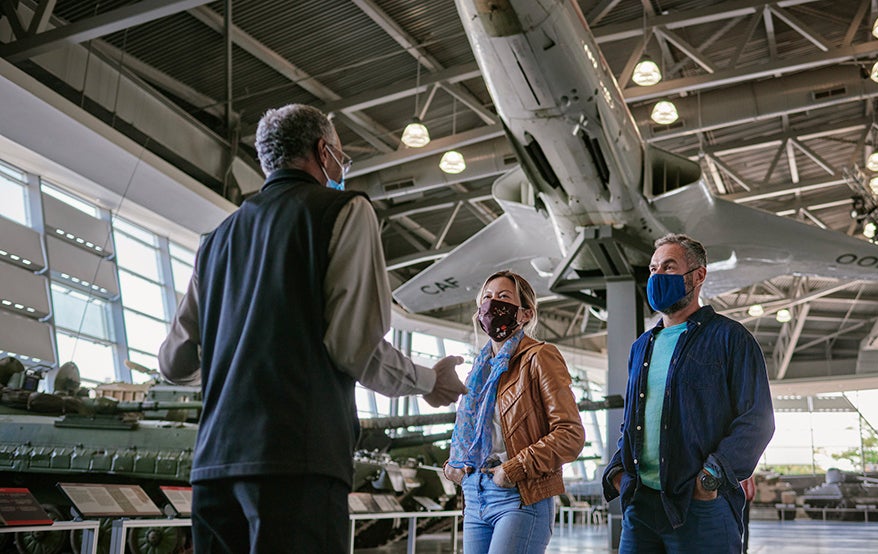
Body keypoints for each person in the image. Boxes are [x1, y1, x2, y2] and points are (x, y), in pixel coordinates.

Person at [158, 103, 467, 554]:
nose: (342, 166)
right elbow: (353, 346)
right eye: (341, 155)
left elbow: (174, 362)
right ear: (324, 152)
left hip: (214, 465)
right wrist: (427, 381)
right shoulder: (343, 211)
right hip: (296, 461)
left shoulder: (215, 241)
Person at [601, 233, 774, 554]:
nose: (657, 276)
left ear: (698, 276)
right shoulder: (641, 347)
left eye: (669, 267)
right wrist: (618, 474)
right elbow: (633, 421)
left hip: (702, 507)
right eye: (653, 269)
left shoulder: (731, 338)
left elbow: (757, 420)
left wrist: (709, 479)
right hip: (641, 506)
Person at [442, 270, 585, 554]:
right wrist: (454, 466)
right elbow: (473, 434)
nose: (492, 304)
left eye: (503, 297)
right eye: (487, 297)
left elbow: (571, 434)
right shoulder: (478, 371)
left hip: (519, 495)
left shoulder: (540, 356)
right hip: (475, 494)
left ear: (525, 314)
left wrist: (515, 468)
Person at [740, 476, 757, 553]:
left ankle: (742, 546)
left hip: (742, 500)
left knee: (741, 524)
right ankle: (744, 547)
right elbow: (752, 486)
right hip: (746, 500)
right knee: (745, 525)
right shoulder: (748, 471)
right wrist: (752, 496)